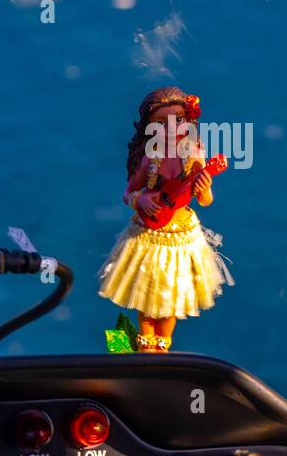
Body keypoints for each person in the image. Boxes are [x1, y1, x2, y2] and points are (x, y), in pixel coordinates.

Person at [97, 87, 229, 352]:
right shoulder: (150, 157)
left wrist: (203, 186)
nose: (170, 128)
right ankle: (145, 345)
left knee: (171, 296)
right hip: (149, 233)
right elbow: (128, 192)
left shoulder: (193, 155)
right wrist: (141, 200)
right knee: (146, 294)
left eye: (177, 120)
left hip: (180, 235)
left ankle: (164, 344)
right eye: (161, 122)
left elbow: (205, 200)